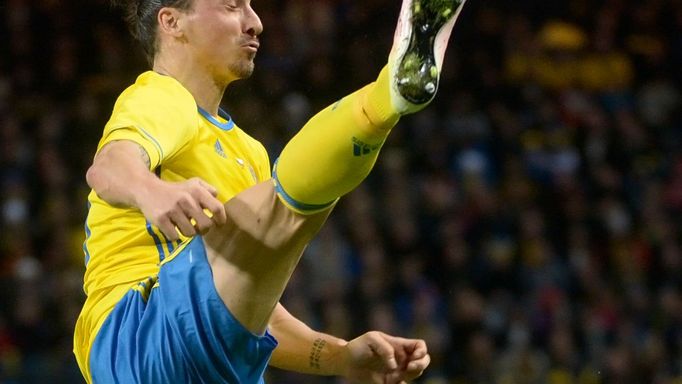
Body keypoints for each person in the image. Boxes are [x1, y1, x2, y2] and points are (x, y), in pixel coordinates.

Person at [73, 0, 468, 382]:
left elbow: (255, 310)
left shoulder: (248, 152)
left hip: (212, 360)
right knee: (288, 207)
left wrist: (342, 357)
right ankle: (387, 96)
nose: (255, 22)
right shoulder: (160, 96)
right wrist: (151, 191)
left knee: (280, 216)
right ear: (172, 22)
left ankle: (390, 96)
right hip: (139, 333)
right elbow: (110, 166)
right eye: (232, 6)